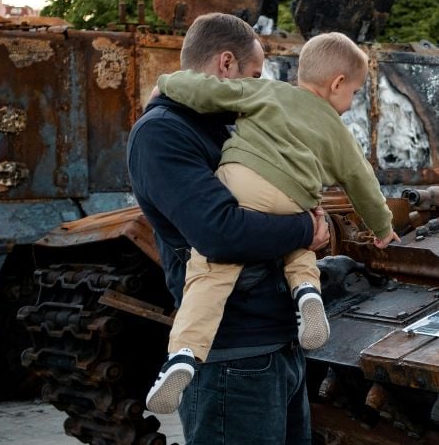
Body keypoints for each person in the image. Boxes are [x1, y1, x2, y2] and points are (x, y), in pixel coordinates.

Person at [144, 32, 399, 415]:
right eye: (356, 91)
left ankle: (183, 355)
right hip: (293, 200)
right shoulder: (339, 133)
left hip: (243, 182)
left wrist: (167, 82)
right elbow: (362, 183)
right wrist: (382, 228)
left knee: (209, 276)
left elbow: (205, 90)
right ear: (337, 84)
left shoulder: (268, 94)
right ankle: (307, 294)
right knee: (301, 239)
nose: (353, 101)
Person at [127, 12, 328, 445]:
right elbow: (220, 233)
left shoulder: (224, 125)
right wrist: (305, 228)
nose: (258, 86)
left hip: (279, 348)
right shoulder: (163, 134)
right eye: (254, 75)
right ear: (225, 64)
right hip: (232, 358)